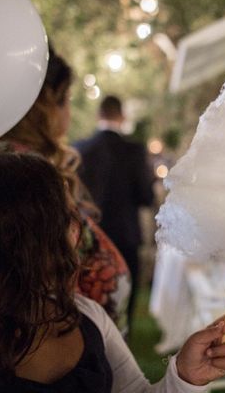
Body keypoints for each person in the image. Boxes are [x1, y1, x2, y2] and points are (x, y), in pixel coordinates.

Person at [0, 145, 225, 392]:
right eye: (66, 217)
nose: (80, 227)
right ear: (25, 242)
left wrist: (187, 376)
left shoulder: (86, 315)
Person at [0, 48, 132, 333]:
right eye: (66, 100)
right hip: (58, 339)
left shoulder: (14, 164)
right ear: (44, 106)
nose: (69, 112)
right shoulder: (25, 174)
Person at [75, 95, 155, 329]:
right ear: (121, 116)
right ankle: (123, 347)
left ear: (99, 115)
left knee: (90, 299)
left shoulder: (80, 149)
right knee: (124, 299)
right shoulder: (134, 150)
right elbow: (146, 197)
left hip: (89, 237)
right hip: (126, 234)